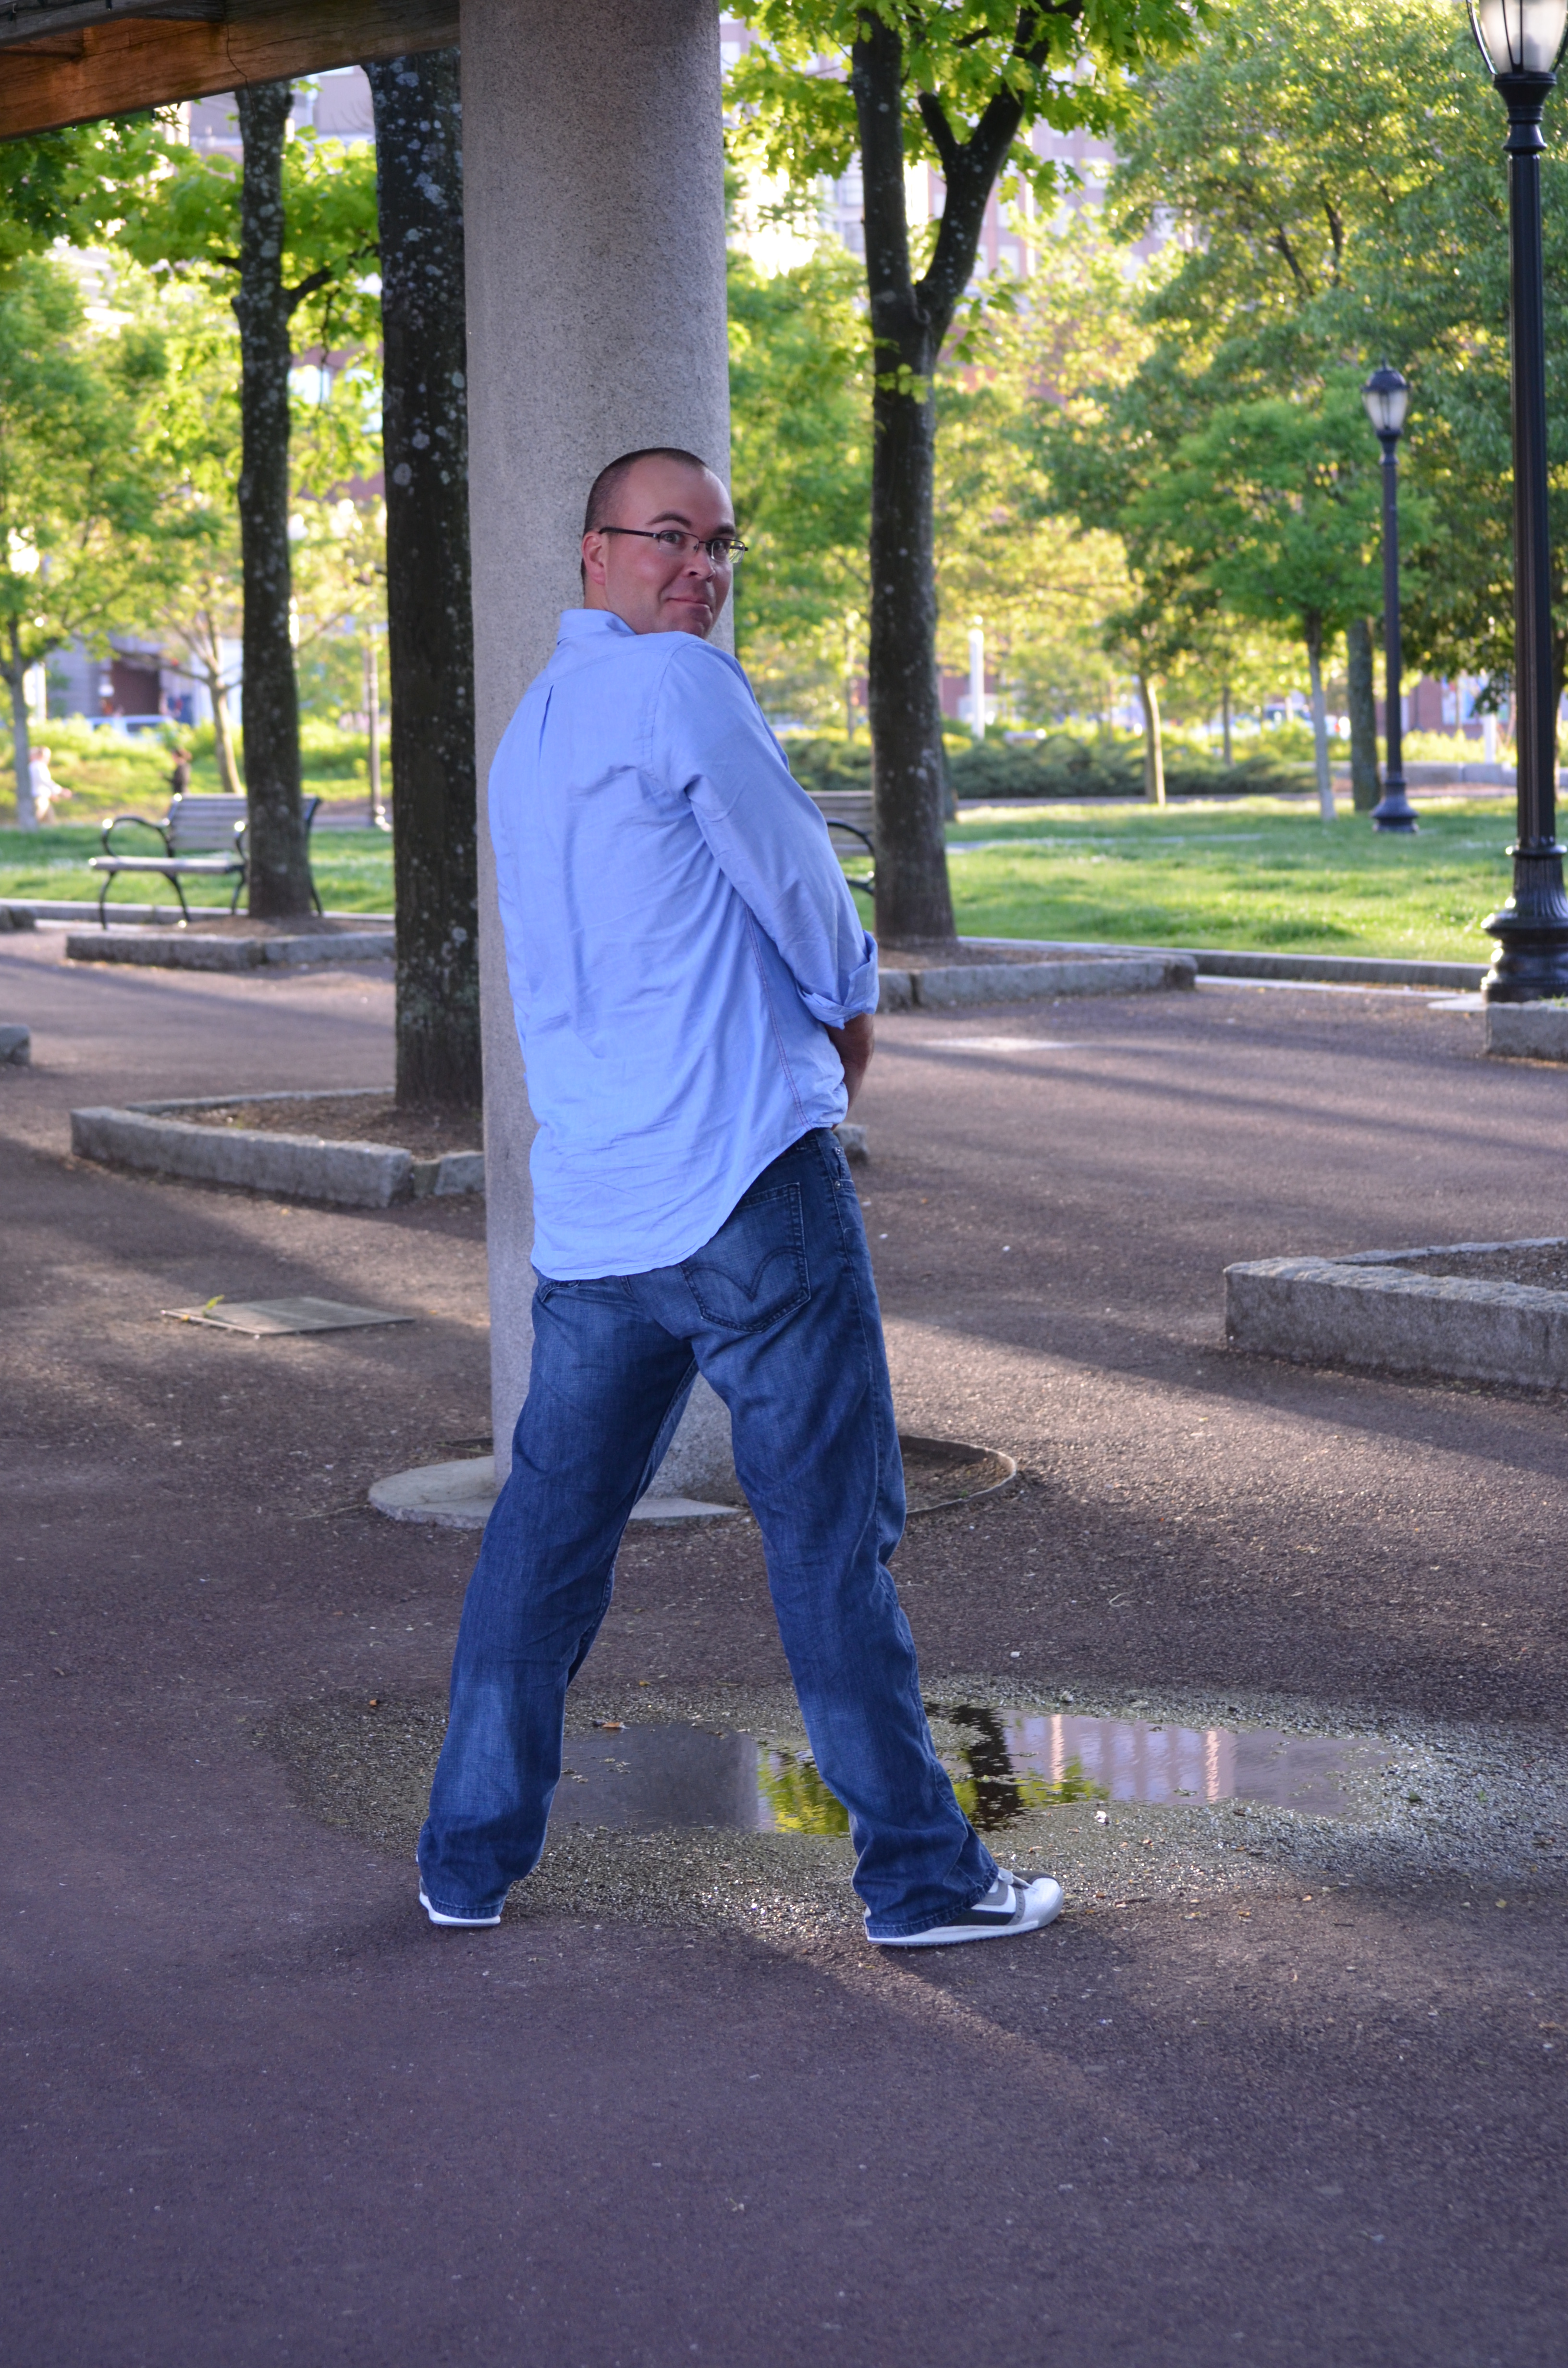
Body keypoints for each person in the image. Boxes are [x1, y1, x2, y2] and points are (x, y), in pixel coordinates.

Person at [416, 446, 1063, 1949]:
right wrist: (850, 1015)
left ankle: (464, 1860)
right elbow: (798, 881)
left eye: (719, 543)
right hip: (744, 1185)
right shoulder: (681, 686)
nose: (700, 568)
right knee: (830, 1536)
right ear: (594, 550)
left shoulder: (531, 730)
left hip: (598, 1215)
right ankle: (920, 1877)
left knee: (545, 1545)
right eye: (669, 537)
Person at [28, 747, 70, 822]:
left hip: (43, 798)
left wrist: (51, 794)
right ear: (40, 755)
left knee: (50, 823)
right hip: (39, 799)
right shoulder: (38, 766)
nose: (48, 759)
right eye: (47, 757)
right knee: (35, 822)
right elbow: (45, 781)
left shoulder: (35, 766)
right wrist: (60, 791)